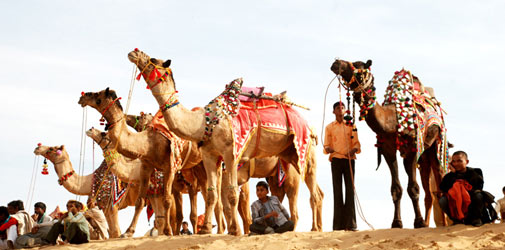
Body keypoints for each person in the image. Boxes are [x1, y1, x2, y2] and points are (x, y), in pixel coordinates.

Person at [323, 101, 361, 231]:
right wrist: (328, 149)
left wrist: (354, 150)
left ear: (345, 111)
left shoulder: (352, 125)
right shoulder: (329, 127)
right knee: (337, 191)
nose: (340, 110)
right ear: (333, 111)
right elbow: (326, 144)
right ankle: (338, 225)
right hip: (336, 161)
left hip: (349, 160)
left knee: (350, 190)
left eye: (342, 107)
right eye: (338, 108)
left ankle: (351, 224)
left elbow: (356, 143)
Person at [439, 151, 486, 226]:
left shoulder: (476, 171)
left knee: (479, 195)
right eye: (453, 161)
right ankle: (457, 220)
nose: (456, 164)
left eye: (459, 161)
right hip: (456, 204)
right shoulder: (449, 176)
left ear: (467, 162)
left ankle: (476, 219)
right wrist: (454, 173)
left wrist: (463, 192)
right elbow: (443, 188)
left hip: (472, 202)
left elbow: (478, 186)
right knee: (443, 200)